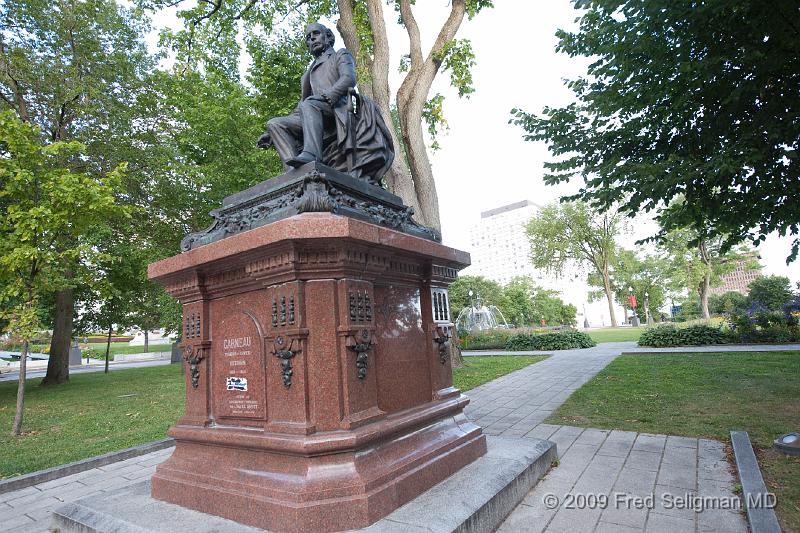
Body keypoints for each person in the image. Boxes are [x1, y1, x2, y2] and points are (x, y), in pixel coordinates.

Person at [258, 22, 394, 184]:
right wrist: (273, 133)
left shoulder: (340, 55)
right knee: (275, 124)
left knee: (310, 104)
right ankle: (294, 173)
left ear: (328, 37)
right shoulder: (307, 74)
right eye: (308, 38)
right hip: (314, 111)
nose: (312, 39)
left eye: (316, 34)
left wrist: (331, 95)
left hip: (337, 109)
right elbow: (302, 105)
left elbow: (348, 78)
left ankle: (312, 154)